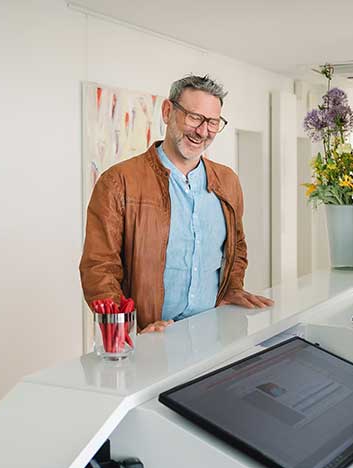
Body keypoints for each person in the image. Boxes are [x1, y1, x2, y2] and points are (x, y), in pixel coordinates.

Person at [80, 75, 272, 333]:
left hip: (213, 331)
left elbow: (236, 248)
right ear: (168, 111)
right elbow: (99, 267)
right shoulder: (118, 181)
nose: (203, 131)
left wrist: (233, 289)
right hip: (150, 339)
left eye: (213, 122)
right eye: (195, 117)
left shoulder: (228, 181)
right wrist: (125, 329)